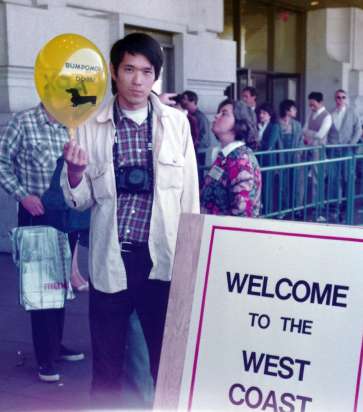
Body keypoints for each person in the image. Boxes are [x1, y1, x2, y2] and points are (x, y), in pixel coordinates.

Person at [61, 32, 199, 403]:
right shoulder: (89, 124)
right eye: (129, 69)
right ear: (114, 72)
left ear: (156, 77)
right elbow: (79, 201)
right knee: (106, 364)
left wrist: (191, 260)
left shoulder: (176, 123)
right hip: (111, 259)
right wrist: (74, 175)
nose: (138, 80)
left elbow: (190, 197)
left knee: (165, 362)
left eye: (146, 71)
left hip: (161, 260)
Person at [0, 104, 85, 383]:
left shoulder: (71, 125)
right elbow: (1, 161)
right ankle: (44, 357)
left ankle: (55, 345)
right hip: (36, 212)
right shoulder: (23, 121)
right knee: (40, 287)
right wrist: (22, 195)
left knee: (60, 285)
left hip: (66, 214)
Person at [201, 99, 261, 217]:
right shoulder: (225, 156)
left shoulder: (241, 160)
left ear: (239, 123)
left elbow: (242, 213)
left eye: (224, 113)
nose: (216, 116)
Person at [327, 89, 361, 221]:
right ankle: (336, 205)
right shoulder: (331, 113)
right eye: (338, 98)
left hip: (347, 149)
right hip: (334, 150)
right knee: (335, 178)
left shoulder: (352, 112)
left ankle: (348, 205)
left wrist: (351, 144)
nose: (340, 100)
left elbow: (358, 129)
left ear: (346, 99)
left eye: (343, 97)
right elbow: (328, 131)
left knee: (348, 178)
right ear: (335, 99)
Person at [302, 91, 332, 204]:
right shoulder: (310, 114)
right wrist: (311, 133)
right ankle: (308, 202)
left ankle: (318, 202)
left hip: (319, 150)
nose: (311, 107)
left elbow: (321, 134)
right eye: (310, 104)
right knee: (306, 176)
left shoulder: (327, 116)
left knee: (317, 177)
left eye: (313, 104)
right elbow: (303, 130)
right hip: (308, 147)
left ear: (321, 103)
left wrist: (310, 134)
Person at [180, 90, 210, 182]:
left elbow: (204, 138)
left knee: (196, 176)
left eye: (185, 99)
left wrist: (192, 146)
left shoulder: (200, 117)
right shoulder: (188, 115)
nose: (183, 102)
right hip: (193, 150)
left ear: (192, 101)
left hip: (198, 151)